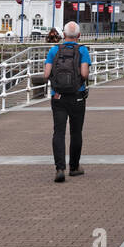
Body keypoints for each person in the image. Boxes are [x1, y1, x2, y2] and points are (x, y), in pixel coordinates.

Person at [44, 21, 91, 182]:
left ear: (63, 35)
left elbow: (46, 74)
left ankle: (59, 168)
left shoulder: (54, 50)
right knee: (76, 132)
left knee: (58, 132)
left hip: (58, 96)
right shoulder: (83, 50)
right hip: (77, 95)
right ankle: (74, 167)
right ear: (79, 36)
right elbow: (84, 74)